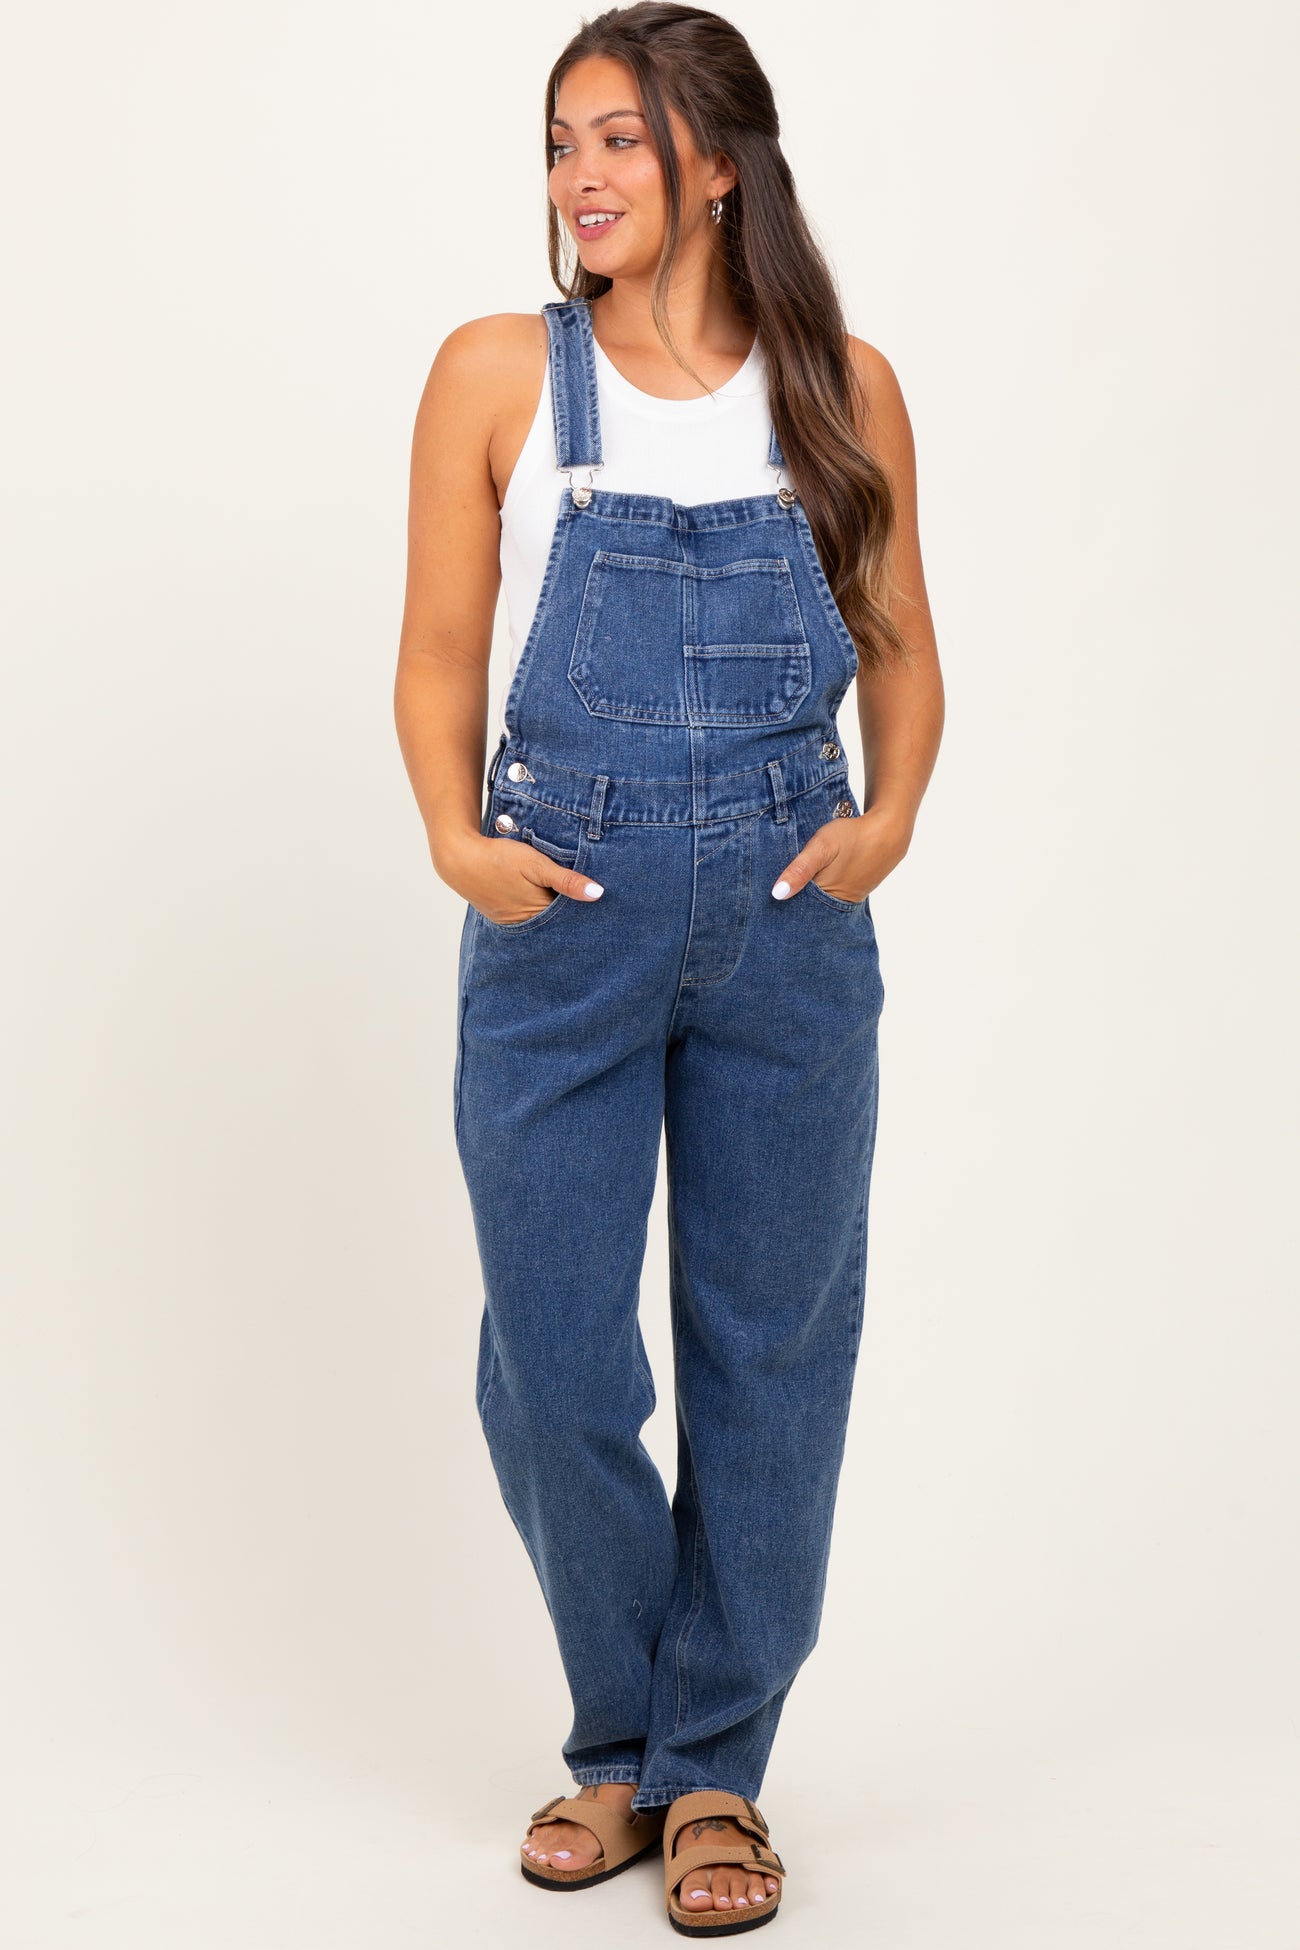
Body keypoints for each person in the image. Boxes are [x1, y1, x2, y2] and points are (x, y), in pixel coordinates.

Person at [394, 2, 944, 1931]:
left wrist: (888, 817)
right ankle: (622, 1726)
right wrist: (456, 836)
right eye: (560, 143)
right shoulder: (497, 373)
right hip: (563, 917)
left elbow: (900, 643)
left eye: (617, 138)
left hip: (790, 926)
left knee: (771, 1350)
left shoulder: (839, 384)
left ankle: (711, 1770)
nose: (580, 177)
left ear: (718, 164)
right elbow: (439, 652)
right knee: (551, 1359)